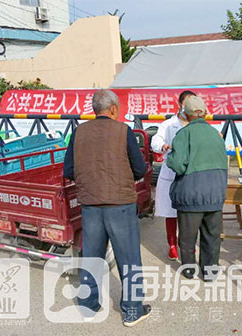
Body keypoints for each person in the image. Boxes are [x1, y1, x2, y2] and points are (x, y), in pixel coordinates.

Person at [63, 89, 151, 327]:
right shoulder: (123, 131)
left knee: (91, 256)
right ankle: (132, 310)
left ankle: (89, 306)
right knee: (129, 257)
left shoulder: (78, 132)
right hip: (120, 204)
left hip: (90, 204)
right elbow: (140, 169)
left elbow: (68, 170)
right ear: (113, 109)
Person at [167, 95, 228, 280]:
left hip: (191, 194)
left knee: (187, 237)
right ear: (205, 113)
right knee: (212, 235)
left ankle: (189, 270)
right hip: (215, 193)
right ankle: (210, 273)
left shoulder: (183, 135)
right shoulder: (216, 134)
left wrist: (170, 156)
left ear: (185, 114)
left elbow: (178, 164)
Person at [151, 91, 195, 260]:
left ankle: (187, 245)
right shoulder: (168, 124)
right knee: (171, 212)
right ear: (179, 105)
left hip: (191, 173)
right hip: (171, 171)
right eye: (187, 104)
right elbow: (156, 140)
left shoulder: (196, 124)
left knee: (189, 213)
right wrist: (162, 145)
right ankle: (172, 245)